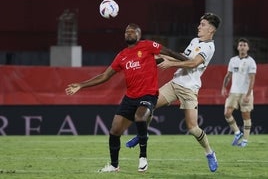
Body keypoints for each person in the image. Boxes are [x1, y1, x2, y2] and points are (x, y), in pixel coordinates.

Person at [65, 23, 187, 172]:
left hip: (148, 94)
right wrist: (81, 85)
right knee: (115, 130)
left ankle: (143, 158)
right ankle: (114, 165)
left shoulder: (148, 46)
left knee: (140, 117)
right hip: (130, 97)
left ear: (139, 35)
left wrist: (188, 61)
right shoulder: (122, 56)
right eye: (126, 32)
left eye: (132, 31)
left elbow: (169, 51)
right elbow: (105, 76)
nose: (128, 33)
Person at [126, 13, 221, 172]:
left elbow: (193, 63)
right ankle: (144, 135)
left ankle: (209, 153)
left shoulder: (209, 47)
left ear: (211, 29)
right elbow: (184, 56)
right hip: (175, 83)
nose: (199, 26)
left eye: (203, 24)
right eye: (200, 23)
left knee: (192, 128)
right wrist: (162, 55)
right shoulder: (194, 41)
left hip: (189, 89)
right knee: (148, 105)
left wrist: (170, 63)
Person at [221, 38, 257, 147]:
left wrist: (248, 94)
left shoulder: (251, 61)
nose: (242, 47)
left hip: (245, 93)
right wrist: (223, 87)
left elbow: (252, 79)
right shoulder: (233, 60)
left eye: (244, 45)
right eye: (240, 45)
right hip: (234, 91)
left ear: (248, 48)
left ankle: (245, 141)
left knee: (245, 116)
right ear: (237, 47)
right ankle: (237, 132)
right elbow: (228, 75)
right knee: (227, 113)